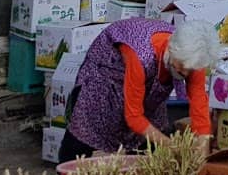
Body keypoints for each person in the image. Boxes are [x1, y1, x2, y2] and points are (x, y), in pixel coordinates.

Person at [57, 17, 217, 164]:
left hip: (148, 84)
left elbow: (199, 107)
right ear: (172, 51)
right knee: (85, 137)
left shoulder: (194, 59)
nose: (187, 74)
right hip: (106, 80)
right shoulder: (140, 54)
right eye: (182, 68)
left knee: (150, 145)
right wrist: (172, 145)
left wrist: (202, 151)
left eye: (190, 70)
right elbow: (133, 116)